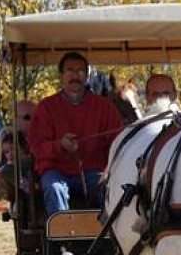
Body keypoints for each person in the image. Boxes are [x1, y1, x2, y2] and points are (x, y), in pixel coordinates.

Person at [27, 52, 123, 215]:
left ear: (86, 75)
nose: (75, 75)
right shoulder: (46, 107)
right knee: (54, 188)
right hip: (56, 171)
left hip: (94, 172)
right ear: (61, 75)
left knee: (111, 190)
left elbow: (118, 142)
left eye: (80, 71)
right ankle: (63, 239)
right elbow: (37, 147)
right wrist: (59, 146)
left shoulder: (104, 106)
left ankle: (108, 237)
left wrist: (109, 170)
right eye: (70, 70)